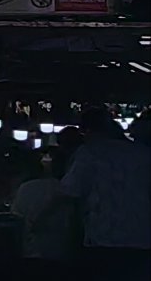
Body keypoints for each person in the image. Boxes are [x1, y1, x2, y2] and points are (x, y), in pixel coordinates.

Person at [60, 110, 151, 269]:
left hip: (102, 236)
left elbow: (70, 192)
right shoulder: (143, 154)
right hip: (141, 236)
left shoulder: (90, 153)